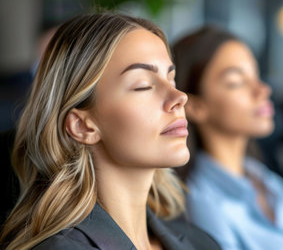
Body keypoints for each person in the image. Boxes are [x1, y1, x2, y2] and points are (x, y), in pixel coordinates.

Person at [0, 13, 220, 250]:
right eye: (143, 85)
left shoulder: (201, 242)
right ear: (82, 125)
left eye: (171, 79)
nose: (180, 97)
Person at [172, 26, 283, 250]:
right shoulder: (203, 203)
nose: (262, 90)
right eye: (237, 81)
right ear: (196, 106)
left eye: (256, 76)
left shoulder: (269, 182)